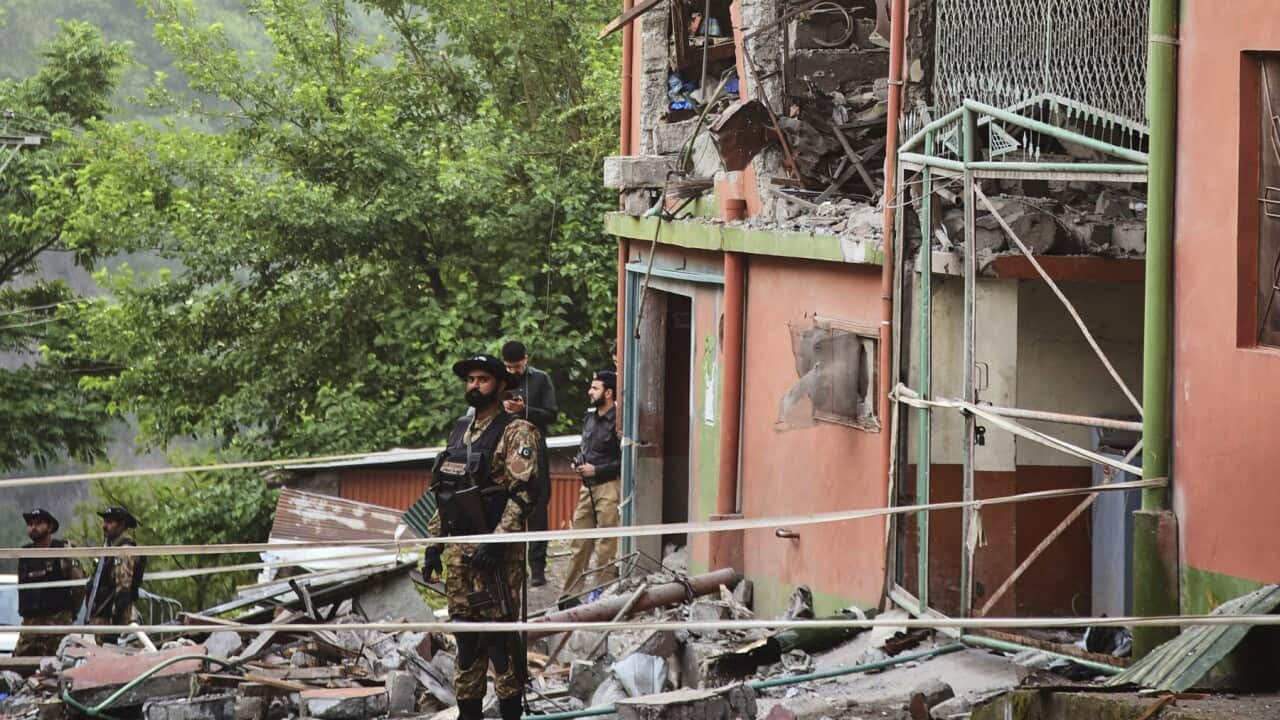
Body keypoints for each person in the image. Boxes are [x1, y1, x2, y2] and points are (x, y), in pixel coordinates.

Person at [422, 354, 539, 720]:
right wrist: (432, 547)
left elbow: (524, 493)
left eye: (483, 379)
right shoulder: (459, 431)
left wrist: (497, 541)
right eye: (470, 379)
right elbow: (445, 494)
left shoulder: (516, 431)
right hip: (459, 553)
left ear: (501, 385)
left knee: (500, 643)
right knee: (467, 642)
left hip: (496, 559)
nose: (474, 385)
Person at [560, 371, 622, 603]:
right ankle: (570, 595)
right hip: (587, 488)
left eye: (595, 388)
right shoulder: (589, 418)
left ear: (608, 392)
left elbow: (623, 460)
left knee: (606, 545)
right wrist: (579, 462)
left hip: (608, 486)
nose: (589, 391)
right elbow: (584, 447)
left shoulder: (618, 420)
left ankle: (600, 594)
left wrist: (597, 470)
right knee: (580, 542)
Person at [500, 340, 558, 587]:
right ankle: (509, 564)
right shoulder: (499, 381)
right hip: (505, 451)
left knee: (537, 507)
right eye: (509, 367)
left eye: (517, 365)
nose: (513, 371)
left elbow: (551, 414)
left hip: (535, 451)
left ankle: (537, 568)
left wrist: (525, 410)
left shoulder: (541, 379)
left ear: (526, 359)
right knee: (505, 506)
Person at [15, 508, 84, 657]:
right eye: (31, 524)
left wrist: (70, 614)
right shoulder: (25, 554)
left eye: (38, 523)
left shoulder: (64, 551)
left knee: (57, 669)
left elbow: (79, 586)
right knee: (17, 668)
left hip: (57, 623)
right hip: (30, 625)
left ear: (50, 527)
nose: (33, 527)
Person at [83, 506, 145, 641]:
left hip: (116, 620)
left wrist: (115, 625)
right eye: (104, 521)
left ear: (122, 525)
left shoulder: (124, 550)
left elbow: (123, 590)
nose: (105, 526)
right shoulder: (108, 548)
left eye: (110, 522)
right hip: (100, 618)